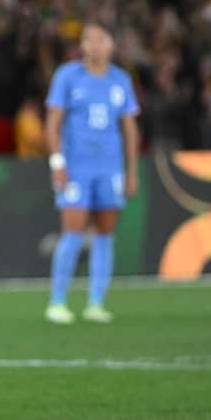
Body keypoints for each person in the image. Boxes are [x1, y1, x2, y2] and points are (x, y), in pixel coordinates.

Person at [45, 21, 140, 324]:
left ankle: (95, 302)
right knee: (72, 230)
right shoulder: (67, 76)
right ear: (82, 46)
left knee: (105, 233)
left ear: (112, 44)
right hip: (76, 168)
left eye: (101, 39)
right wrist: (57, 163)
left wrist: (131, 171)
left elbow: (130, 129)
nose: (95, 45)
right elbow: (53, 123)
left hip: (110, 168)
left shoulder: (120, 80)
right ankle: (57, 301)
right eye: (89, 40)